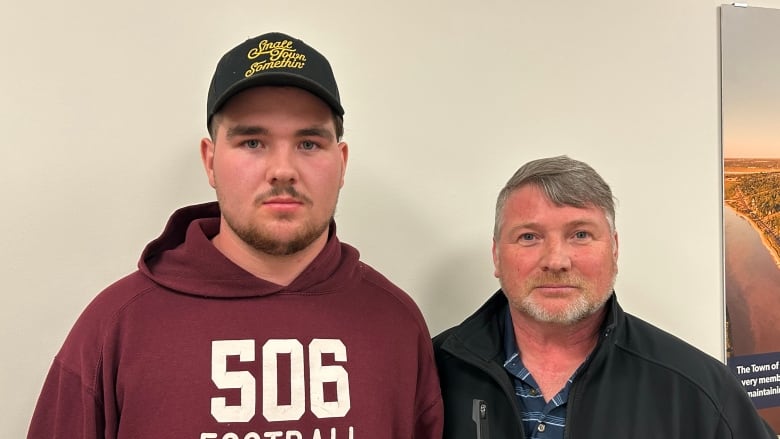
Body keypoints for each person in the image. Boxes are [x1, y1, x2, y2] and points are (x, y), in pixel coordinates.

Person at [28, 32, 443, 439]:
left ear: (342, 161)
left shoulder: (396, 324)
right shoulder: (116, 326)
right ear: (210, 162)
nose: (282, 169)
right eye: (252, 142)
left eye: (310, 144)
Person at [433, 155, 775, 438]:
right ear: (496, 256)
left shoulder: (700, 390)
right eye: (529, 237)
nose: (556, 260)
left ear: (614, 249)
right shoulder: (429, 372)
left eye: (580, 234)